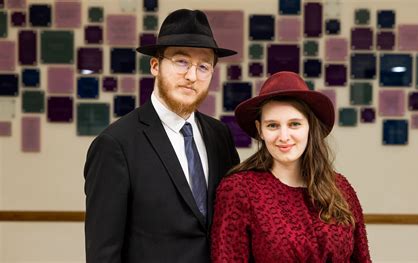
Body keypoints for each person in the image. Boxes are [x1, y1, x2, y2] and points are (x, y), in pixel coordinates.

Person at [84, 9, 240, 262]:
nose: (192, 76)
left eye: (203, 66)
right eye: (181, 61)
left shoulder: (220, 135)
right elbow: (104, 252)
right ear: (155, 65)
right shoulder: (115, 144)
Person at [211, 71, 371, 262]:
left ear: (310, 126)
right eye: (272, 125)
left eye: (294, 124)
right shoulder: (239, 189)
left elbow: (362, 259)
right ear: (260, 129)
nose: (284, 136)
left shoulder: (340, 187)